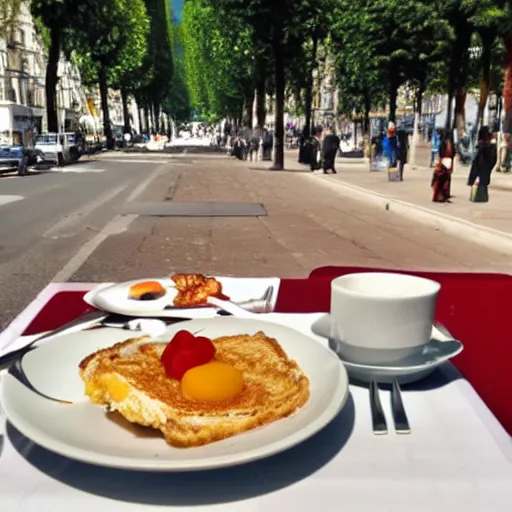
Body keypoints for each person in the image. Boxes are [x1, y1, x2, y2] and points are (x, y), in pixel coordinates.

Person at [467, 126, 497, 202]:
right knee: (481, 181)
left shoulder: (482, 146)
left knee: (479, 180)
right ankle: (479, 195)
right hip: (484, 166)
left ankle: (478, 195)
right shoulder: (488, 145)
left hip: (482, 165)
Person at [431, 129, 456, 203]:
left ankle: (439, 195)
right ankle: (444, 195)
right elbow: (453, 153)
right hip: (448, 162)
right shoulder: (450, 143)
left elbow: (440, 153)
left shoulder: (443, 143)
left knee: (440, 179)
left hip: (442, 162)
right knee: (446, 179)